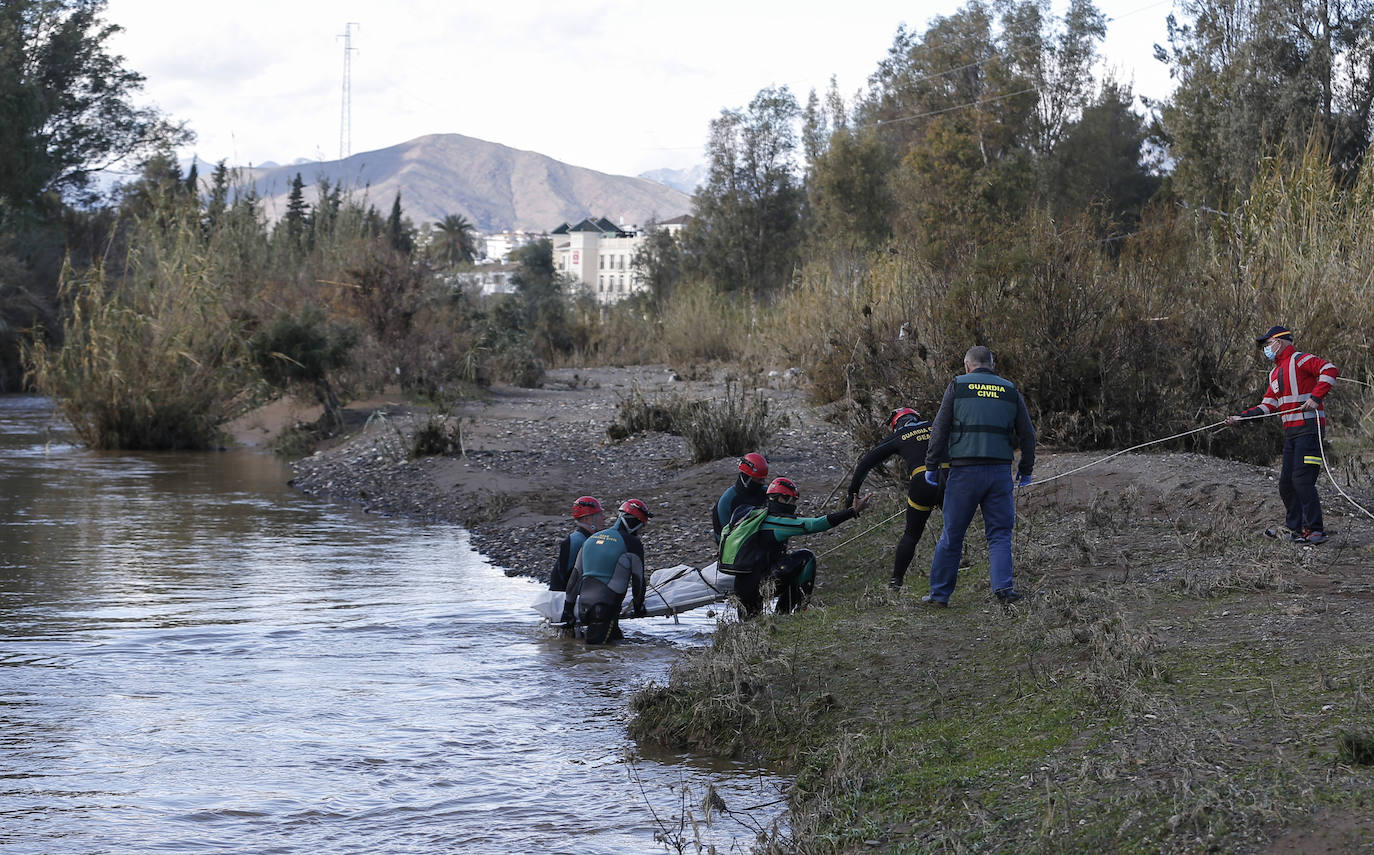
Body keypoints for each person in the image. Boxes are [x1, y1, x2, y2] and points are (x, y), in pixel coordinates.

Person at [922, 346, 1036, 607]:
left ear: (967, 365)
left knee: (952, 533)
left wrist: (931, 465)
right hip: (999, 473)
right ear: (992, 365)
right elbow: (1028, 434)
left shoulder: (958, 386)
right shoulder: (1009, 390)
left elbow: (940, 428)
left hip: (964, 472)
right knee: (999, 534)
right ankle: (1004, 590)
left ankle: (939, 596)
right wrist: (1026, 469)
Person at [1225, 325, 1338, 544]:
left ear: (1281, 341)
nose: (1266, 349)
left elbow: (1329, 369)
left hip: (1309, 430)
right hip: (1292, 434)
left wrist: (1316, 397)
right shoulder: (1274, 373)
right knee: (1286, 484)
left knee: (1302, 481)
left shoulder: (1300, 359)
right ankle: (1293, 529)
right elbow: (1268, 405)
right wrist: (1241, 417)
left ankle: (1315, 531)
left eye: (1267, 344)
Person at [720, 476, 873, 616]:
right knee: (806, 558)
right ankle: (793, 612)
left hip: (741, 589)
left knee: (749, 630)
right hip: (760, 587)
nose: (793, 506)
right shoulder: (777, 522)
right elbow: (815, 524)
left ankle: (778, 618)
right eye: (792, 501)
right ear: (781, 499)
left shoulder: (755, 517)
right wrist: (852, 511)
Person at [847, 407, 939, 589]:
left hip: (921, 482)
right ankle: (945, 583)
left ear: (896, 424)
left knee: (911, 535)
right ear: (916, 417)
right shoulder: (935, 425)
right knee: (954, 532)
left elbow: (866, 463)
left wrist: (852, 494)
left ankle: (896, 581)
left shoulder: (899, 435)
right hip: (948, 479)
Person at [560, 499, 651, 644]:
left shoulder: (591, 539)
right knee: (596, 658)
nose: (640, 532)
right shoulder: (632, 543)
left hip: (583, 609)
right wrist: (639, 606)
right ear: (635, 523)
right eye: (641, 527)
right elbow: (638, 581)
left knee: (616, 643)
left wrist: (568, 611)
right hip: (605, 611)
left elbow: (574, 578)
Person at [549, 496, 604, 592]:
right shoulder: (577, 541)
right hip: (563, 597)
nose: (604, 518)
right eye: (599, 515)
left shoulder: (582, 538)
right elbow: (567, 576)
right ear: (587, 519)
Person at [712, 452, 769, 543]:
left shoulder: (765, 493)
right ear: (747, 478)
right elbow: (724, 537)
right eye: (759, 480)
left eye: (763, 480)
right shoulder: (728, 501)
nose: (762, 483)